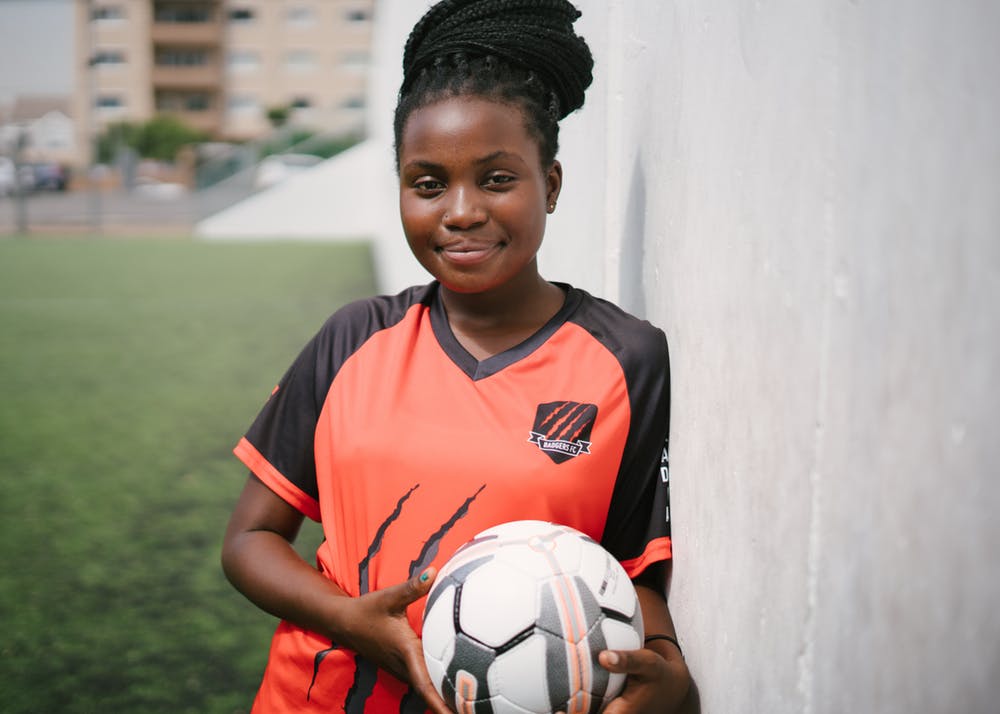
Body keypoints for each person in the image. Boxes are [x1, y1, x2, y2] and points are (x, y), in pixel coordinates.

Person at [221, 1, 691, 712]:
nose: (461, 211)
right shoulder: (353, 339)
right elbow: (250, 540)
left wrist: (667, 671)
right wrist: (350, 622)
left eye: (497, 179)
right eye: (428, 183)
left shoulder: (626, 359)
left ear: (551, 185)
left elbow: (632, 575)